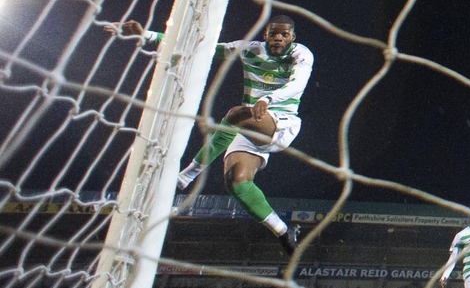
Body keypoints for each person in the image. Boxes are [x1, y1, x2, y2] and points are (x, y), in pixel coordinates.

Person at [104, 15, 313, 256]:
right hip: (248, 126)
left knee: (235, 114)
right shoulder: (248, 49)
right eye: (273, 33)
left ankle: (185, 177)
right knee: (237, 182)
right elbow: (200, 49)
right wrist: (147, 35)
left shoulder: (301, 54)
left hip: (281, 123)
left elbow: (298, 83)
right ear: (265, 35)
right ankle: (283, 232)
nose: (278, 38)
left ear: (292, 37)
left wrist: (267, 99)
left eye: (284, 34)